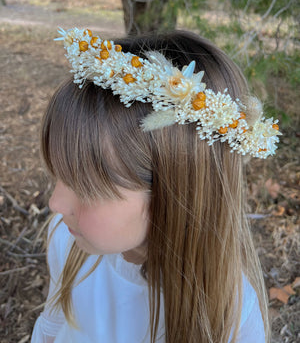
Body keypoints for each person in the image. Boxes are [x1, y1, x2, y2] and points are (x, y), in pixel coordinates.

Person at [31, 27, 280, 343]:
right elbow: (53, 323)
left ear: (175, 194)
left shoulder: (229, 313)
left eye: (86, 188)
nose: (55, 204)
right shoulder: (66, 242)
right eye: (58, 175)